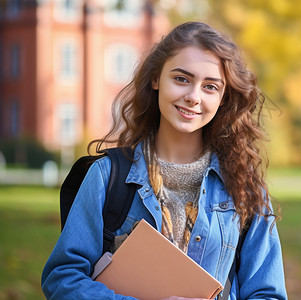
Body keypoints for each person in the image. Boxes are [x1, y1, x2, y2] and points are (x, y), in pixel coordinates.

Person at [41, 21, 287, 300]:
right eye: (181, 79)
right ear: (156, 79)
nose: (194, 97)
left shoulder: (245, 189)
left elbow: (269, 294)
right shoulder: (106, 176)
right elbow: (63, 277)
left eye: (210, 87)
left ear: (222, 98)